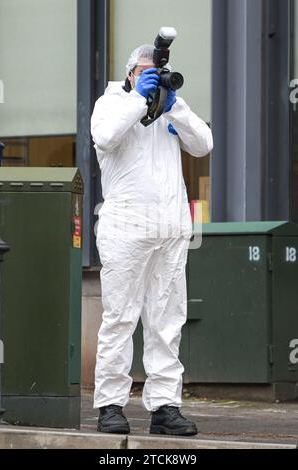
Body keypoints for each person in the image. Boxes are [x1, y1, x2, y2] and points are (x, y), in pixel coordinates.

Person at [91, 44, 213, 436]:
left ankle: (164, 406)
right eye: (145, 73)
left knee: (167, 320)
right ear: (130, 75)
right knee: (120, 318)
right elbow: (106, 137)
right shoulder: (111, 105)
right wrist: (138, 99)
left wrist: (173, 105)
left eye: (158, 74)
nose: (153, 79)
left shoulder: (168, 110)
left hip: (170, 229)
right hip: (126, 228)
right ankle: (110, 404)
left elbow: (204, 144)